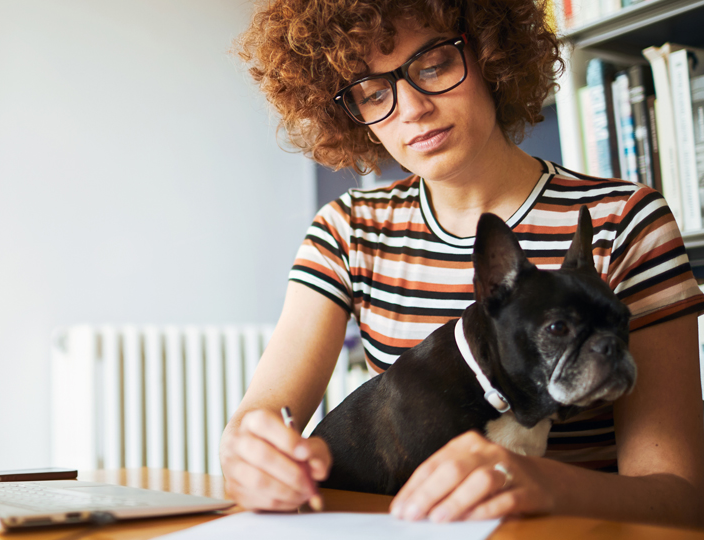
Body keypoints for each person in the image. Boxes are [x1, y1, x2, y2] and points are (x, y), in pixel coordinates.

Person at [219, 0, 704, 527]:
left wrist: (540, 483)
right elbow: (264, 417)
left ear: (493, 52)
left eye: (433, 65)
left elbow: (680, 501)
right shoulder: (348, 229)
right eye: (373, 92)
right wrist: (252, 454)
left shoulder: (624, 219)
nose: (411, 108)